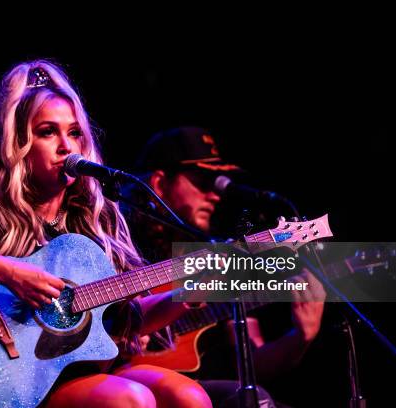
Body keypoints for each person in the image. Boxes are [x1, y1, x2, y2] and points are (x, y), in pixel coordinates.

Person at [0, 61, 212, 407]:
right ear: (19, 143)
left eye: (74, 132)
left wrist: (183, 296)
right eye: (48, 132)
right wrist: (11, 273)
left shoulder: (96, 220)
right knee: (129, 399)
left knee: (189, 396)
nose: (66, 146)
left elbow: (124, 321)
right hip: (15, 378)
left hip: (86, 366)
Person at [126, 127, 327, 407]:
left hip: (204, 387)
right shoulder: (123, 240)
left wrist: (300, 338)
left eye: (216, 183)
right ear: (160, 183)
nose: (215, 195)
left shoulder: (215, 252)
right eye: (202, 182)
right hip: (129, 382)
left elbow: (253, 364)